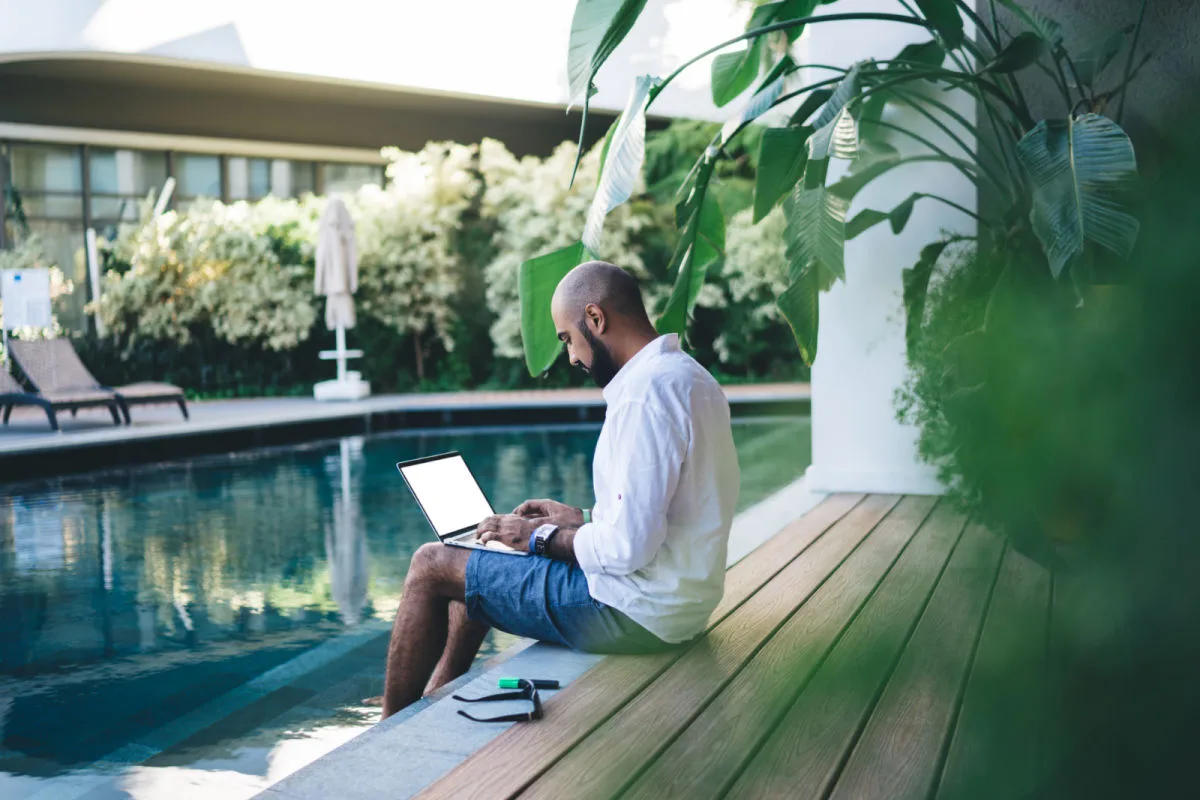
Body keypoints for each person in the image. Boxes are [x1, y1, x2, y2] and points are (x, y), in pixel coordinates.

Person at [379, 260, 739, 718]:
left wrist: (534, 537)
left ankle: (387, 727)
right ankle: (434, 696)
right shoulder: (688, 377)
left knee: (430, 564)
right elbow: (667, 512)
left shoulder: (643, 397)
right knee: (479, 564)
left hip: (633, 612)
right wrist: (577, 520)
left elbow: (627, 549)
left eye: (569, 338)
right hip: (676, 604)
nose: (571, 357)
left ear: (595, 318)